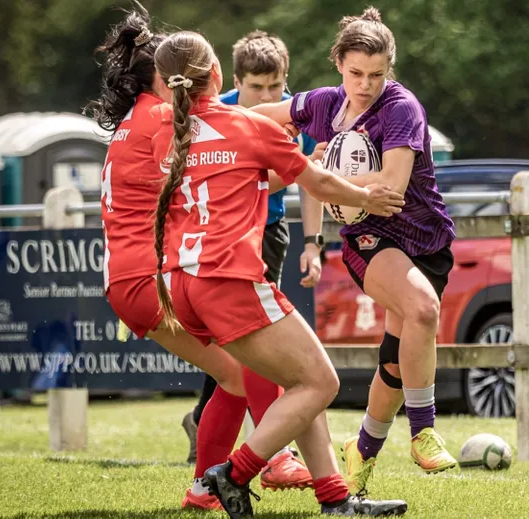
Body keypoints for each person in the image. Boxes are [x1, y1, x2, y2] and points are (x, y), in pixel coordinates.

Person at [150, 30, 409, 518]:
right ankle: (232, 473)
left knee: (296, 380)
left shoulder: (167, 129)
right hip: (228, 280)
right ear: (222, 77)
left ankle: (335, 499)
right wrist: (368, 197)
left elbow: (251, 178)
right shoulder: (247, 127)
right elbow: (315, 180)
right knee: (321, 383)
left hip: (178, 282)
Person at [84, 4, 302, 511]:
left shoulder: (141, 120)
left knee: (234, 372)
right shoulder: (162, 118)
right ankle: (273, 460)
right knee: (252, 362)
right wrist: (310, 109)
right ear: (160, 81)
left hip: (131, 281)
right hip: (151, 280)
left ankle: (205, 488)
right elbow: (236, 125)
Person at [251, 6, 458, 495]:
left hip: (427, 240)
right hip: (371, 238)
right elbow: (260, 113)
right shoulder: (325, 103)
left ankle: (361, 453)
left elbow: (392, 186)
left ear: (391, 68)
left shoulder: (401, 107)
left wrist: (319, 178)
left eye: (376, 75)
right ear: (338, 64)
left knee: (393, 361)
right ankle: (424, 430)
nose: (364, 85)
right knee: (423, 309)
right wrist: (216, 124)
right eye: (355, 74)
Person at [181, 29, 325, 493]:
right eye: (256, 87)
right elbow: (261, 180)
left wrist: (314, 243)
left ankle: (211, 440)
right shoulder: (213, 114)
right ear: (234, 81)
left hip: (269, 233)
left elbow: (309, 180)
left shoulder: (296, 115)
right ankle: (271, 455)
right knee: (247, 354)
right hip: (220, 240)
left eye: (275, 87)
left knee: (247, 353)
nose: (266, 96)